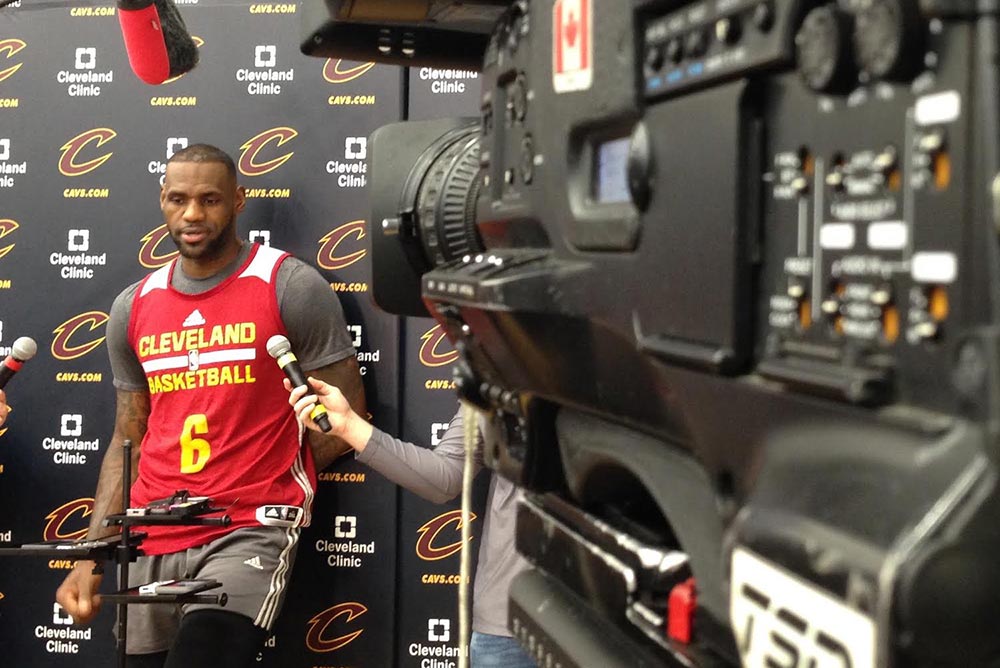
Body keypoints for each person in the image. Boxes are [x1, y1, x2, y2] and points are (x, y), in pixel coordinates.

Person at [56, 144, 365, 668]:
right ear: (163, 201)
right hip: (152, 530)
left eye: (210, 199)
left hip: (247, 526)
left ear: (239, 201)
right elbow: (127, 437)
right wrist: (94, 552)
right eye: (179, 199)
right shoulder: (134, 304)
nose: (193, 214)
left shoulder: (287, 283)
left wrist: (265, 473)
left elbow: (344, 420)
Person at [287, 377, 536, 668]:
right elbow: (445, 477)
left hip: (599, 617)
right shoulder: (497, 372)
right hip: (508, 621)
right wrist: (348, 426)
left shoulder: (601, 358)